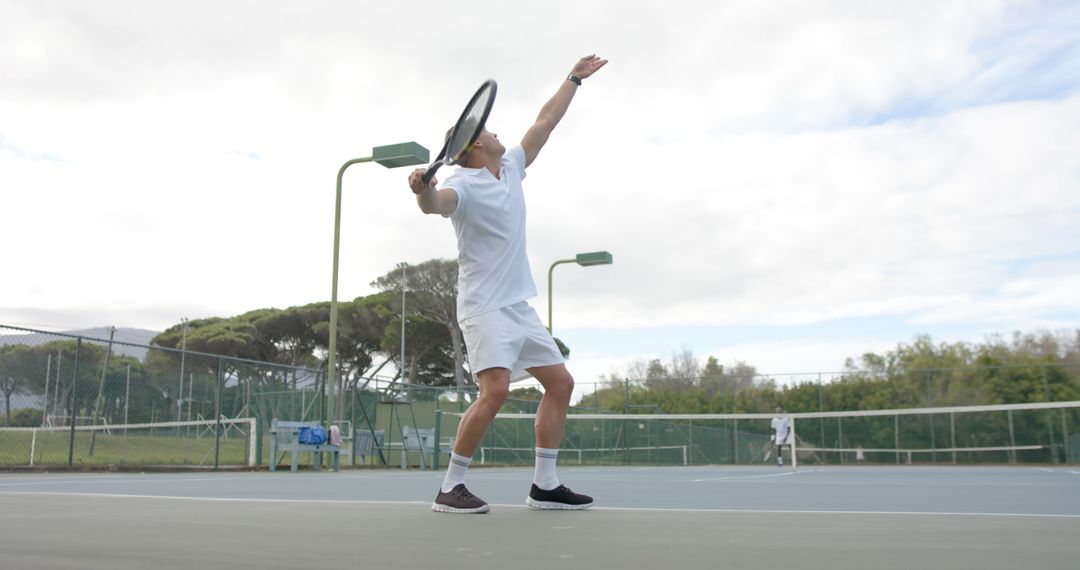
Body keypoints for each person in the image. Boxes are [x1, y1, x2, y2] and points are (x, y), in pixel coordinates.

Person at [407, 54, 608, 514]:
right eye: (489, 131)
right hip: (483, 307)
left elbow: (547, 120)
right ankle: (450, 487)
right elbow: (436, 204)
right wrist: (422, 189)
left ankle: (545, 484)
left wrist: (574, 79)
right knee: (495, 390)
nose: (498, 133)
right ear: (474, 146)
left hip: (518, 306)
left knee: (561, 384)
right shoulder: (463, 185)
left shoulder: (513, 165)